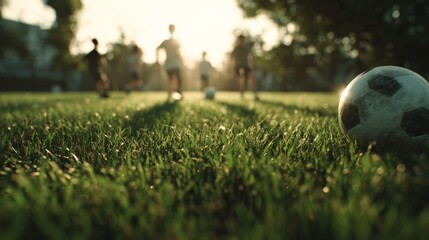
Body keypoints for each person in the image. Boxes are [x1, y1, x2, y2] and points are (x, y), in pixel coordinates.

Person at [156, 24, 183, 100]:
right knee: (173, 80)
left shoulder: (176, 41)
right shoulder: (166, 42)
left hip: (174, 64)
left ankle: (176, 95)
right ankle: (170, 96)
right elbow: (157, 49)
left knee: (175, 80)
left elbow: (179, 53)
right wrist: (157, 59)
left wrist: (181, 60)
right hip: (170, 64)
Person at [231, 34, 259, 100]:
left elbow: (250, 56)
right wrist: (229, 67)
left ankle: (255, 95)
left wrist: (252, 64)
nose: (241, 41)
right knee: (241, 80)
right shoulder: (236, 48)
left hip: (246, 66)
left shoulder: (247, 48)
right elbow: (231, 58)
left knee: (251, 79)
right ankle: (242, 95)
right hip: (238, 66)